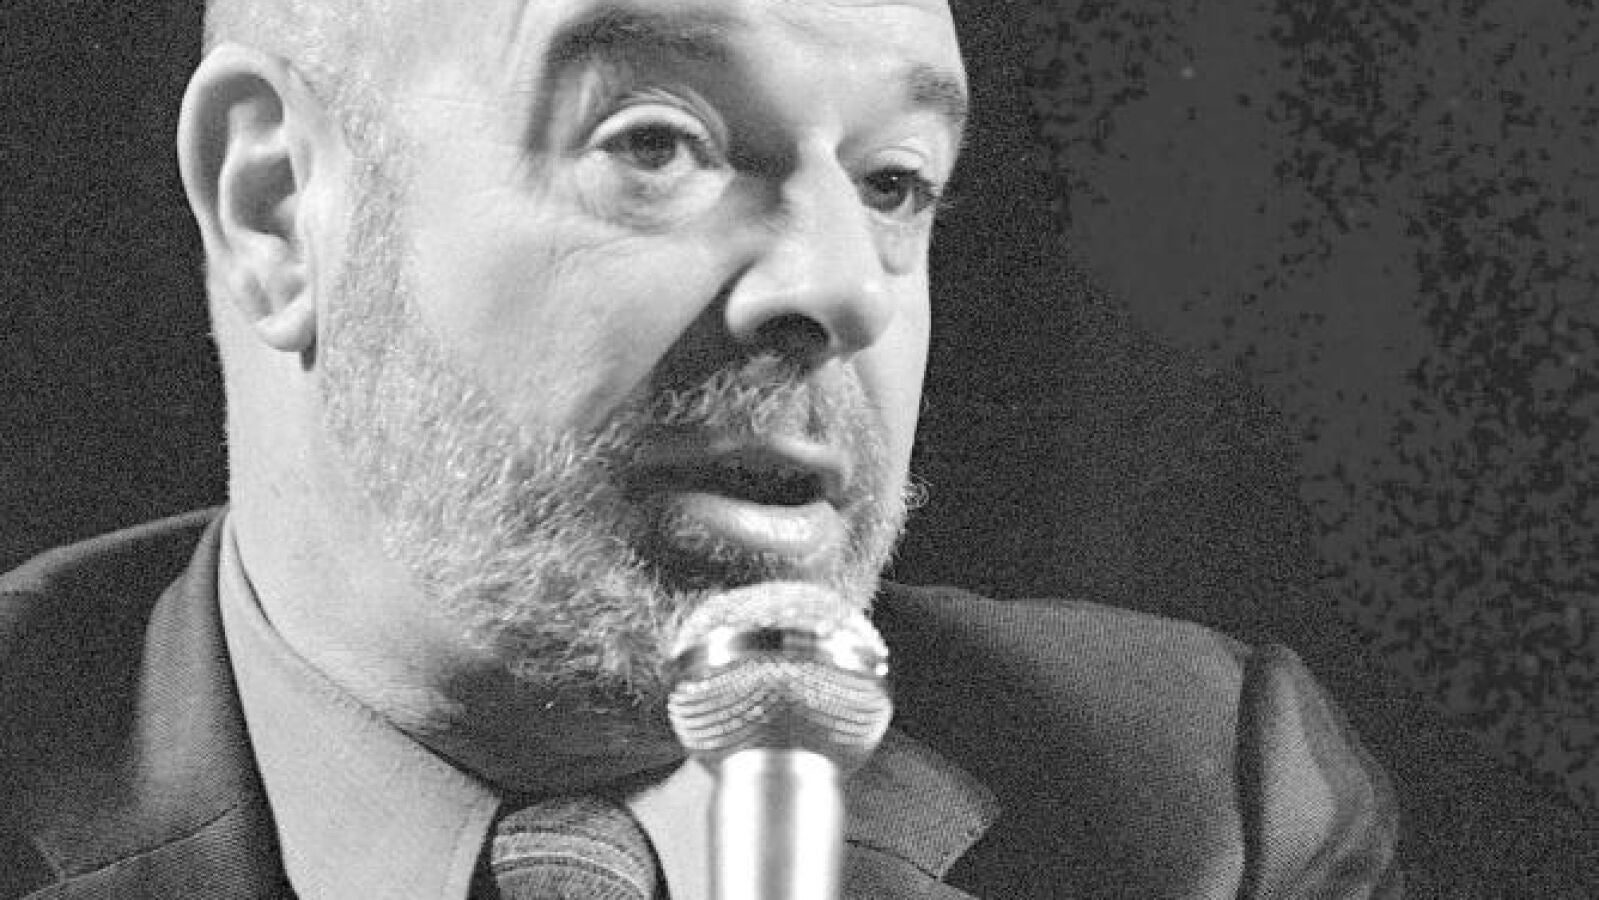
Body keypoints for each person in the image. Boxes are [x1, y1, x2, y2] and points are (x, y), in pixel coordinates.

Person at [0, 0, 1400, 896]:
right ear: (277, 205)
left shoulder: (1199, 814)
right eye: (658, 144)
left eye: (894, 181)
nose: (843, 289)